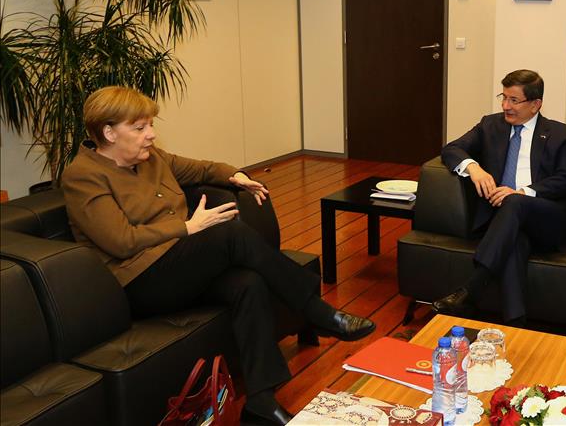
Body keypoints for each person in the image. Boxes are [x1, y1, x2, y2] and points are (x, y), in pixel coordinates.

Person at [61, 86, 376, 425]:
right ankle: (318, 311)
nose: (150, 134)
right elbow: (121, 241)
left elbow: (204, 169)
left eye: (150, 125)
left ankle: (260, 401)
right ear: (109, 133)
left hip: (179, 266)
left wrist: (238, 176)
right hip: (140, 282)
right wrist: (187, 228)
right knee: (230, 234)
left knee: (248, 283)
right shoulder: (83, 176)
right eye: (139, 128)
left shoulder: (153, 158)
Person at [431, 69, 566, 326]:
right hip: (505, 222)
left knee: (514, 202)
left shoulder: (560, 134)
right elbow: (452, 149)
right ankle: (515, 324)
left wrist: (523, 192)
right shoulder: (490, 125)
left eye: (514, 100)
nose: (505, 106)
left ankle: (473, 287)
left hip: (546, 218)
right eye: (503, 97)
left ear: (535, 104)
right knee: (515, 243)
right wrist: (474, 168)